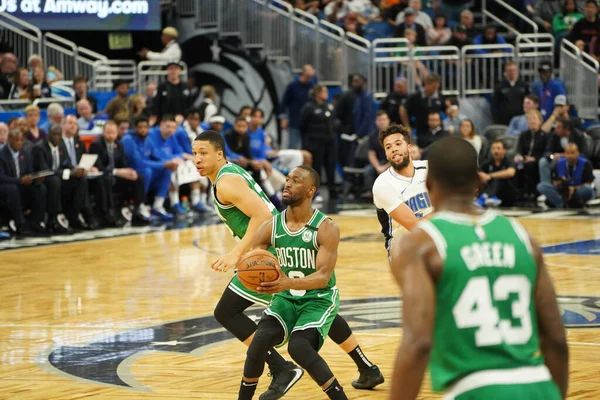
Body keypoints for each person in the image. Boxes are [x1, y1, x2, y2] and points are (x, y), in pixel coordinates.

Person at [192, 131, 383, 397]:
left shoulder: (226, 184)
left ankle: (281, 367)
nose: (197, 159)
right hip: (272, 244)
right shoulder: (228, 173)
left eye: (203, 153)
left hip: (269, 251)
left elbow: (260, 215)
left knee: (226, 311)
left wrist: (237, 254)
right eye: (195, 153)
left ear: (219, 154)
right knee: (314, 305)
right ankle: (366, 367)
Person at [389, 136, 569, 400]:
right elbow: (556, 342)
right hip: (539, 386)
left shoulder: (420, 244)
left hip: (474, 389)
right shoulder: (522, 236)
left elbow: (418, 343)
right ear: (479, 181)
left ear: (428, 184)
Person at [238, 166, 347, 400]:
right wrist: (257, 273)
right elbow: (255, 260)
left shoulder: (326, 228)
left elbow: (322, 278)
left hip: (318, 299)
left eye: (296, 181)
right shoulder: (270, 226)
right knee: (260, 339)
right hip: (285, 299)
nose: (287, 184)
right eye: (287, 179)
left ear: (310, 191)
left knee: (298, 347)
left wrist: (285, 283)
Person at [372, 123, 433, 251]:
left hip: (433, 245)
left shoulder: (430, 168)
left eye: (398, 144)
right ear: (386, 154)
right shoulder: (383, 184)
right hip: (404, 253)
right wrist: (449, 207)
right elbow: (416, 227)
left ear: (409, 147)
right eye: (388, 147)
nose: (393, 149)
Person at [89, 121, 147, 226]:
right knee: (105, 179)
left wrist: (129, 171)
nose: (111, 135)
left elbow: (123, 163)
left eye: (113, 133)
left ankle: (137, 209)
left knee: (138, 178)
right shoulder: (96, 145)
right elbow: (99, 167)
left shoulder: (119, 144)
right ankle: (108, 213)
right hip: (103, 177)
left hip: (117, 177)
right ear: (103, 132)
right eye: (108, 132)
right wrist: (116, 171)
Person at [32, 124, 87, 233]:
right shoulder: (40, 148)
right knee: (54, 182)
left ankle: (73, 216)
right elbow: (46, 170)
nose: (56, 137)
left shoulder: (61, 146)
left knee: (81, 180)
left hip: (60, 177)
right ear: (48, 135)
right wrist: (69, 172)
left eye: (59, 134)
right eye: (54, 134)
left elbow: (67, 164)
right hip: (44, 179)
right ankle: (53, 219)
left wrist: (77, 170)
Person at [121, 116, 174, 220]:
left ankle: (158, 205)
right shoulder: (128, 140)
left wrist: (169, 162)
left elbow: (156, 154)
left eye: (145, 127)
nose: (143, 130)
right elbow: (139, 163)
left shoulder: (148, 138)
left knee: (167, 170)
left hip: (145, 169)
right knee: (147, 171)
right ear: (135, 128)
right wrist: (162, 164)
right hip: (131, 172)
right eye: (140, 127)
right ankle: (140, 206)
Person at [0, 129, 47, 235]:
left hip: (21, 185)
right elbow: (1, 177)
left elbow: (29, 173)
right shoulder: (2, 155)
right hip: (5, 187)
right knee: (12, 189)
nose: (18, 143)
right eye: (16, 140)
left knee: (40, 188)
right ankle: (20, 224)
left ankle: (36, 222)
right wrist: (19, 180)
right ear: (9, 140)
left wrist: (35, 179)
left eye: (21, 140)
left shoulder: (25, 154)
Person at [299, 85, 338, 199]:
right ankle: (316, 192)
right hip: (315, 143)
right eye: (324, 91)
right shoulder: (309, 107)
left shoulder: (329, 106)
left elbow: (333, 121)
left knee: (330, 166)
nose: (326, 93)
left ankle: (333, 193)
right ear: (317, 93)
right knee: (316, 167)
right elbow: (302, 125)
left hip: (329, 143)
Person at [537, 143, 595, 208]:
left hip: (578, 189)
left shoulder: (586, 163)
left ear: (578, 153)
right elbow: (555, 180)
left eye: (572, 153)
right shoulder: (559, 163)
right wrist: (558, 183)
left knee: (587, 189)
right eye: (567, 153)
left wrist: (574, 188)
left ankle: (573, 202)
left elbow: (589, 183)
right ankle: (561, 204)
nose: (570, 155)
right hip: (563, 191)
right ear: (564, 153)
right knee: (542, 186)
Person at [279, 64, 315, 150]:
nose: (309, 79)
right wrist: (283, 118)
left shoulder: (312, 87)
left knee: (306, 148)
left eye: (310, 77)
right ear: (302, 74)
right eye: (307, 77)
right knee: (293, 147)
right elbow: (284, 102)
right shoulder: (293, 86)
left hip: (308, 124)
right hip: (294, 122)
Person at [515, 110, 548, 201]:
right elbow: (519, 149)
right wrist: (519, 156)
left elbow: (546, 152)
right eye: (529, 119)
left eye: (534, 119)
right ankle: (519, 192)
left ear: (540, 121)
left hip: (537, 161)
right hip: (524, 160)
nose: (532, 121)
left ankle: (532, 192)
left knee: (530, 165)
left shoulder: (545, 136)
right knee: (518, 165)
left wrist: (534, 159)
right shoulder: (523, 135)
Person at [478, 139, 518, 207]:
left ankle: (485, 196)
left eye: (498, 148)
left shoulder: (509, 161)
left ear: (504, 150)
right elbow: (478, 171)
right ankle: (491, 197)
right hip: (493, 191)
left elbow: (511, 173)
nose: (496, 151)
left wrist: (490, 175)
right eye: (493, 148)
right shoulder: (488, 162)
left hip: (508, 193)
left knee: (499, 177)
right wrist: (482, 175)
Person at [492, 61, 531, 125]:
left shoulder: (524, 85)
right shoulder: (499, 87)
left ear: (517, 71)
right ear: (505, 72)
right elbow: (494, 105)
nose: (512, 72)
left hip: (521, 119)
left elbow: (528, 102)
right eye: (510, 70)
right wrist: (497, 120)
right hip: (504, 121)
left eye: (514, 70)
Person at [364, 110, 391, 194]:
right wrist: (378, 167)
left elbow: (398, 154)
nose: (381, 122)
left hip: (392, 162)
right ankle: (372, 193)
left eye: (384, 119)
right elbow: (371, 154)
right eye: (379, 120)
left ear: (388, 121)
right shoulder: (372, 136)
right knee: (368, 171)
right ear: (376, 122)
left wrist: (386, 166)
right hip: (379, 162)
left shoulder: (394, 135)